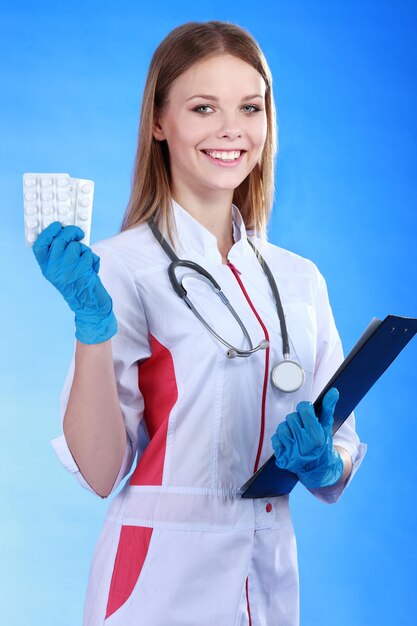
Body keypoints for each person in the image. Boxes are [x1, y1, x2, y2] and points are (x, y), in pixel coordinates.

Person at [33, 20, 366, 626]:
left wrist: (323, 463)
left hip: (266, 571)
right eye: (204, 107)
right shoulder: (120, 266)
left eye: (250, 107)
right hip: (157, 578)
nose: (231, 129)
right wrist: (92, 325)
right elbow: (101, 470)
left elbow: (339, 445)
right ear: (159, 122)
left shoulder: (299, 279)